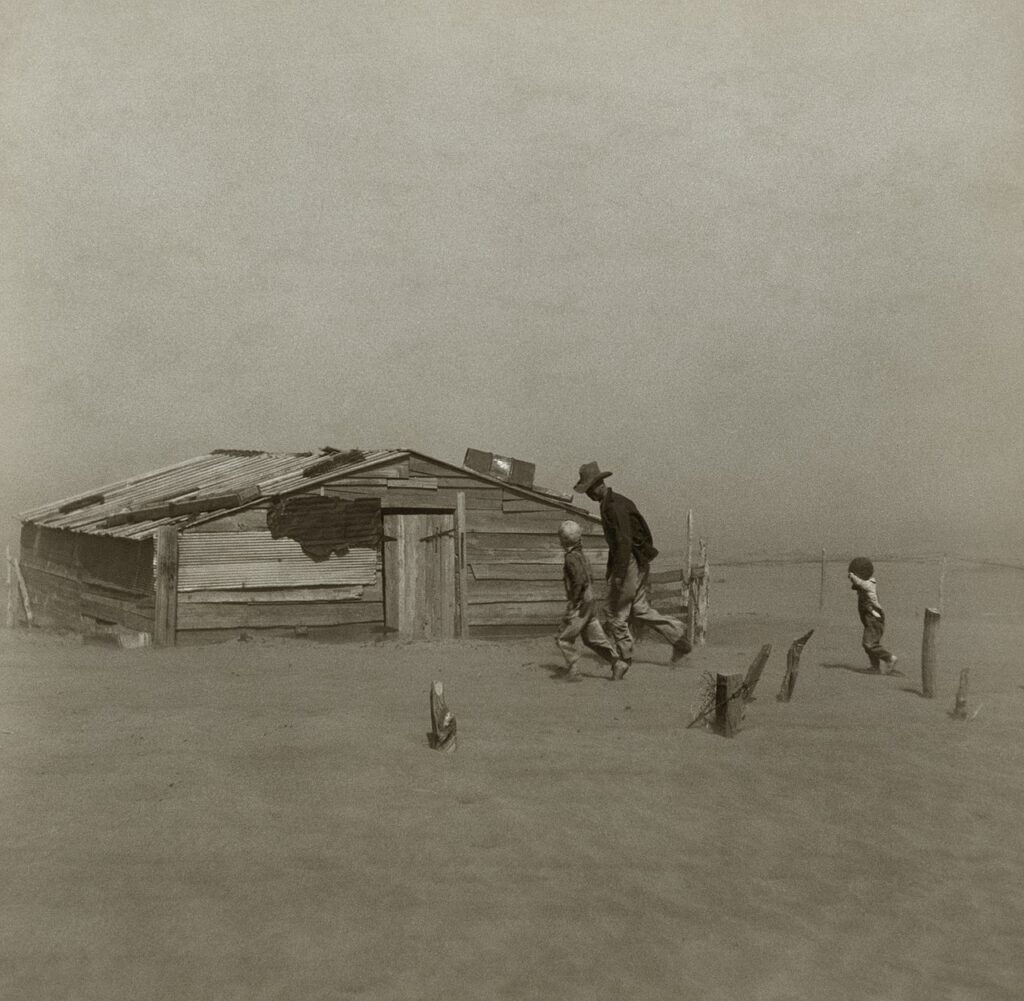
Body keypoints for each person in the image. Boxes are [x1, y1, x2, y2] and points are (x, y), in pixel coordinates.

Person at [573, 462, 691, 677]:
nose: (588, 494)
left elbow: (624, 542)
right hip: (634, 561)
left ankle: (624, 659)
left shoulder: (614, 506)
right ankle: (679, 638)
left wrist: (618, 576)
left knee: (615, 612)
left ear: (598, 485)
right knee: (639, 609)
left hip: (630, 562)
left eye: (589, 489)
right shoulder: (612, 502)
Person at [554, 520, 627, 681]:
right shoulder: (582, 556)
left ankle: (573, 670)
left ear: (564, 540)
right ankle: (617, 663)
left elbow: (579, 580)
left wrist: (574, 602)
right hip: (590, 601)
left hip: (581, 603)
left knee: (563, 637)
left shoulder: (571, 558)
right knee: (593, 638)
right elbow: (589, 578)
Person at [847, 557, 898, 673]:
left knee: (868, 644)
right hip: (869, 618)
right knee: (871, 644)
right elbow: (857, 585)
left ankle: (889, 658)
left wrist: (852, 575)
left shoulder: (870, 584)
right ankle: (875, 667)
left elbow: (860, 583)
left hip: (875, 618)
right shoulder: (862, 584)